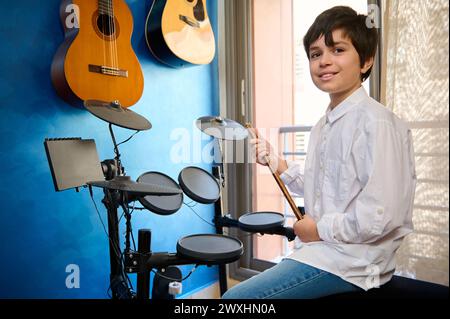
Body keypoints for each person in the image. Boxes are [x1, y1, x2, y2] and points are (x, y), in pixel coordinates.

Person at [222, 6, 416, 299]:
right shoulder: (323, 125)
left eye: (337, 50)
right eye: (315, 54)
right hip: (320, 252)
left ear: (366, 61)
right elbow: (320, 185)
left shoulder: (378, 124)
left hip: (352, 263)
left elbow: (381, 216)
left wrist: (319, 228)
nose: (324, 61)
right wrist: (275, 160)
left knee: (234, 300)